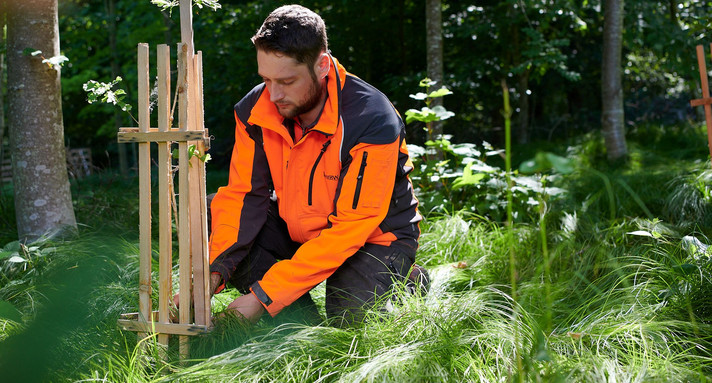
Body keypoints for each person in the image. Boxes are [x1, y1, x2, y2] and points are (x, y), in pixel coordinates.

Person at [204, 4, 427, 325]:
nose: (274, 94)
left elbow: (353, 226)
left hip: (373, 237)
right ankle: (297, 321)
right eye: (266, 79)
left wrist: (262, 297)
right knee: (215, 209)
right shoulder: (254, 109)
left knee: (351, 320)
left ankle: (405, 280)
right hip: (300, 227)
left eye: (287, 81)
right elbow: (242, 196)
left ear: (322, 65)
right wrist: (212, 274)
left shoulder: (372, 119)